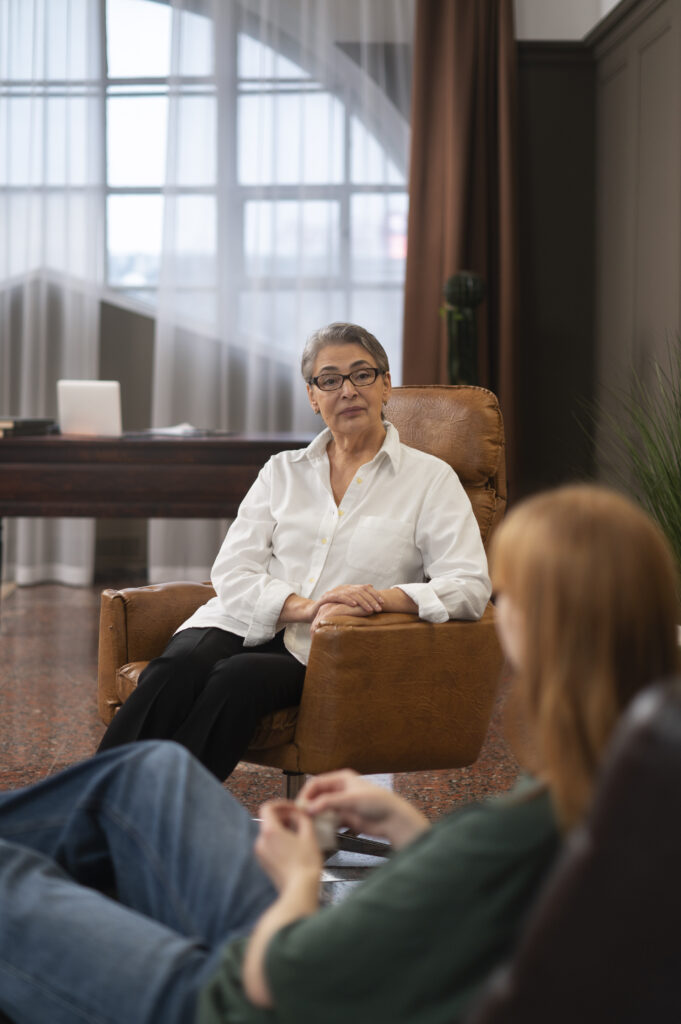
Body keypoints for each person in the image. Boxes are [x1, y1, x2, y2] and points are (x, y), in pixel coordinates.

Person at [1, 484, 678, 1024]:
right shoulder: (617, 791)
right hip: (345, 970)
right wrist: (414, 833)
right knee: (156, 770)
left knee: (12, 876)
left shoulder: (513, 831)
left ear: (541, 629)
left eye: (512, 597)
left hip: (231, 999)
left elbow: (276, 978)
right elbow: (492, 904)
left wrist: (299, 874)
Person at [97, 321, 491, 779]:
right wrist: (305, 606)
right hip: (242, 619)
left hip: (330, 645)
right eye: (330, 380)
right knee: (174, 671)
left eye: (362, 375)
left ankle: (164, 810)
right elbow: (233, 570)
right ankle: (87, 800)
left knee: (236, 680)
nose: (348, 390)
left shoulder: (431, 479)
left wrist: (379, 601)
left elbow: (469, 586)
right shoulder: (281, 471)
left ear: (386, 385)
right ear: (312, 396)